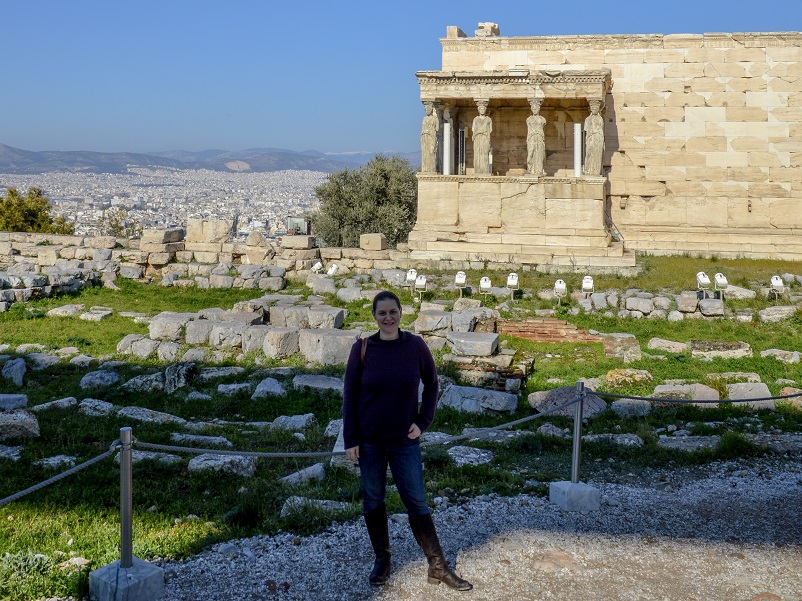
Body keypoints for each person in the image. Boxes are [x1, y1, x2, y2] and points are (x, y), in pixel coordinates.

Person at [343, 290, 472, 591]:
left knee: (416, 501)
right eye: (382, 313)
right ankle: (382, 560)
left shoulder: (415, 346)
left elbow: (432, 383)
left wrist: (423, 421)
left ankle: (438, 567)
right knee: (373, 500)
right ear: (374, 316)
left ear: (401, 313)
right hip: (370, 440)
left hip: (404, 440)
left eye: (393, 312)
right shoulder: (362, 349)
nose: (388, 318)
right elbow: (350, 395)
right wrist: (351, 438)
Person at [472, 101, 492, 175]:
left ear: (485, 110)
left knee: (485, 153)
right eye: (480, 109)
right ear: (478, 110)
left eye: (483, 109)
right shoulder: (476, 119)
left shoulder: (488, 119)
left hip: (485, 137)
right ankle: (478, 170)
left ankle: (485, 170)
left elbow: (490, 129)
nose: (482, 111)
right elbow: (473, 129)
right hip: (477, 138)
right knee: (477, 154)